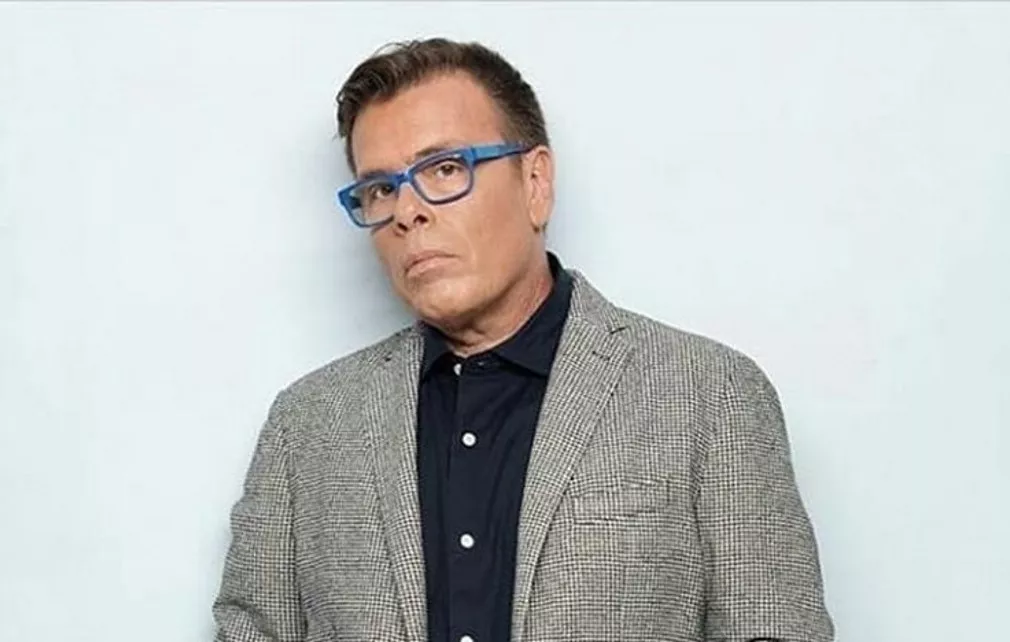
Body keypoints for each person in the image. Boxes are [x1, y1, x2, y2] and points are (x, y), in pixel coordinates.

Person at [212, 37, 834, 642]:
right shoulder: (307, 427)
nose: (406, 212)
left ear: (535, 183)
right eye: (381, 189)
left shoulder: (708, 395)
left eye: (445, 169)